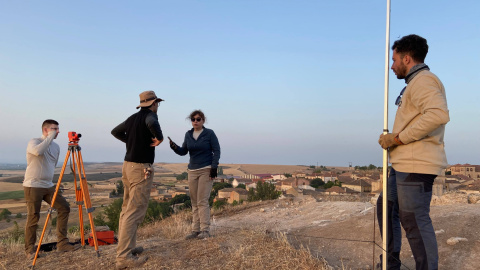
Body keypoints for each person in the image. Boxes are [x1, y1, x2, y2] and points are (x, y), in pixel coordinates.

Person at [377, 34, 449, 270]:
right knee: (386, 207)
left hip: (416, 165)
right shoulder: (416, 83)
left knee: (414, 221)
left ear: (407, 58)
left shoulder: (424, 81)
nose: (392, 65)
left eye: (394, 59)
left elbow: (438, 115)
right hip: (402, 166)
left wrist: (397, 138)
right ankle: (390, 264)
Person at [111, 90, 164, 269]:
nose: (158, 106)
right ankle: (123, 257)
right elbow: (151, 122)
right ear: (153, 103)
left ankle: (128, 248)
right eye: (158, 103)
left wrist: (130, 141)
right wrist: (160, 138)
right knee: (135, 210)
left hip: (127, 166)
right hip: (140, 167)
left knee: (127, 208)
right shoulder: (150, 116)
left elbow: (115, 131)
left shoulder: (132, 118)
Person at [23, 119, 80, 259]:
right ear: (45, 130)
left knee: (64, 207)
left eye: (58, 129)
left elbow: (52, 165)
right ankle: (30, 250)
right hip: (33, 185)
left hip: (48, 185)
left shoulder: (56, 147)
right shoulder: (34, 142)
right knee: (33, 216)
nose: (58, 131)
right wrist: (49, 137)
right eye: (54, 129)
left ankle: (62, 243)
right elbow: (38, 152)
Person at [169, 110, 221, 240]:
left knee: (202, 201)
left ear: (203, 120)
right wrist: (174, 147)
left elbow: (217, 150)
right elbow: (183, 151)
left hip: (206, 169)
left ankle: (205, 230)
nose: (195, 121)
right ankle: (195, 230)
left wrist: (214, 168)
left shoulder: (209, 133)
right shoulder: (188, 134)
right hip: (192, 171)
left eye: (198, 119)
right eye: (193, 119)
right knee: (194, 202)